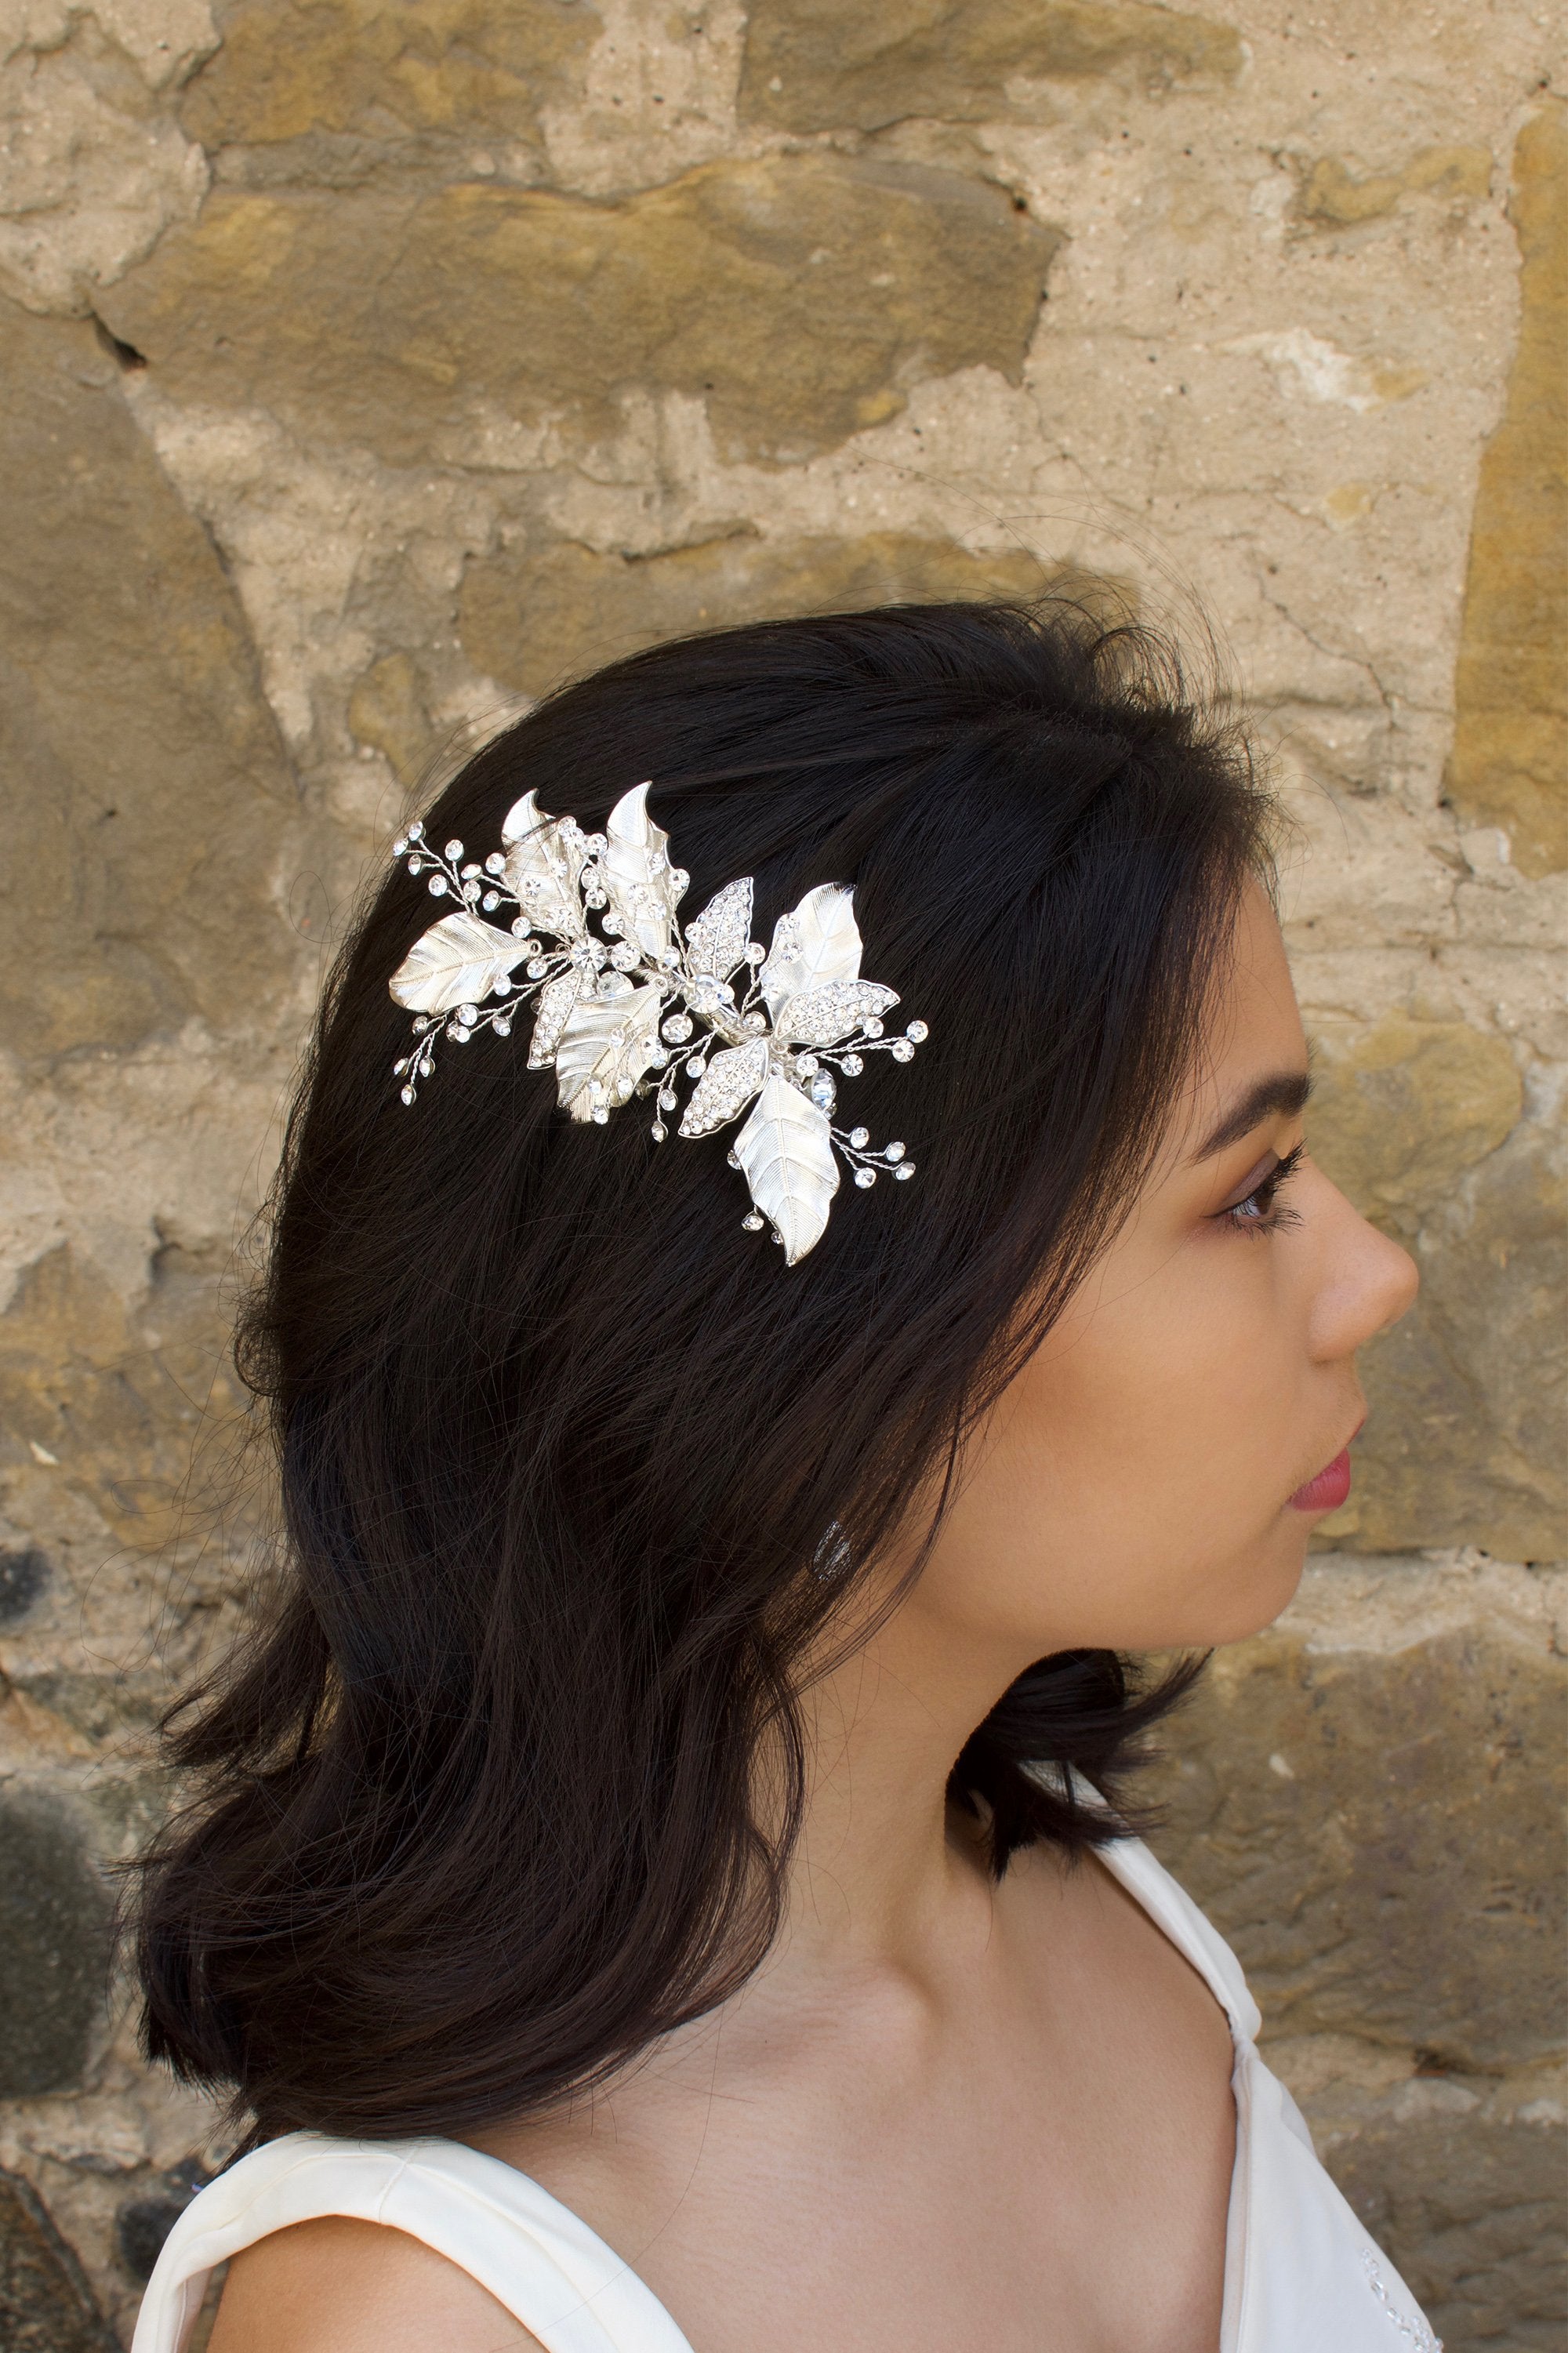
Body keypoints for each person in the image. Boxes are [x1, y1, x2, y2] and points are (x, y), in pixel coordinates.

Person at [130, 601, 1436, 2353]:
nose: (1374, 1276)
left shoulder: (1108, 1921)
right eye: (1247, 1190)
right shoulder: (429, 2324)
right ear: (802, 1369)